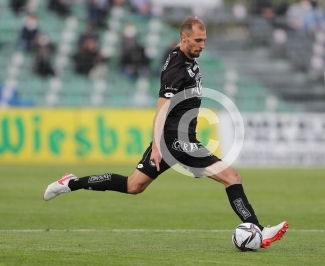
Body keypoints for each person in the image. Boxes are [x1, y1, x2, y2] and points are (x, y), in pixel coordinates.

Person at [43, 16, 288, 249]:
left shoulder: (183, 55)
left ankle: (71, 183)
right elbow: (160, 110)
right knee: (232, 177)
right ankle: (257, 229)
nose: (202, 45)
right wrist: (158, 146)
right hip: (177, 142)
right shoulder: (176, 69)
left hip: (182, 140)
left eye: (204, 41)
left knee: (133, 185)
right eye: (197, 41)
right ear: (184, 38)